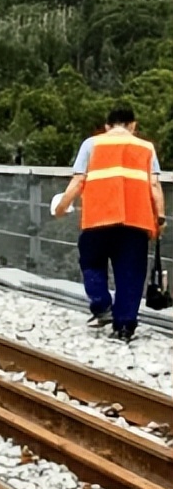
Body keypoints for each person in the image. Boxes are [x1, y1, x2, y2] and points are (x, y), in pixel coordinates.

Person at [53, 106, 166, 342]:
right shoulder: (146, 148)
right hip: (136, 221)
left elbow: (77, 181)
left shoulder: (91, 144)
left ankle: (102, 305)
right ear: (133, 125)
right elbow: (155, 186)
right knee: (131, 274)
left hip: (97, 219)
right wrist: (160, 218)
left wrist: (62, 206)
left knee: (91, 263)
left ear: (107, 126)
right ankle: (124, 328)